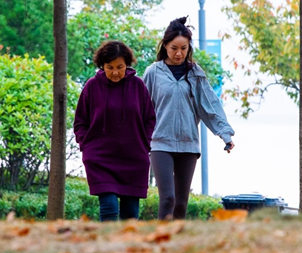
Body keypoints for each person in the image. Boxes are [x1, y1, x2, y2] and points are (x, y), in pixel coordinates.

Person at [143, 17, 235, 220]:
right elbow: (141, 108)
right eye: (174, 48)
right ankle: (161, 244)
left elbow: (209, 106)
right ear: (165, 45)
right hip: (160, 143)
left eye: (183, 48)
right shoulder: (152, 72)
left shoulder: (195, 73)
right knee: (167, 198)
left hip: (188, 144)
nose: (179, 53)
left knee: (181, 203)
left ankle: (176, 245)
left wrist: (225, 134)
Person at [73, 40, 156, 221]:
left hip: (133, 158)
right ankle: (107, 247)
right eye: (110, 67)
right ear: (102, 66)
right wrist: (85, 145)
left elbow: (150, 118)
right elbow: (80, 121)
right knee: (109, 207)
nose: (116, 72)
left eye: (120, 67)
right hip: (101, 158)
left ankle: (127, 248)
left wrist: (144, 143)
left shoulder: (138, 86)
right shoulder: (92, 87)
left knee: (130, 214)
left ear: (127, 65)